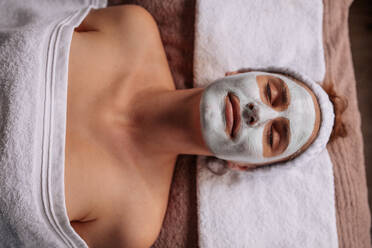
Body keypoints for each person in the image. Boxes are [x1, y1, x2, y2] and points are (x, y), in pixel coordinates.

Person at [65, 4, 347, 247]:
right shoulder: (132, 29)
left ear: (242, 165)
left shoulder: (132, 222)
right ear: (240, 73)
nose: (257, 113)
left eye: (273, 136)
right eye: (270, 93)